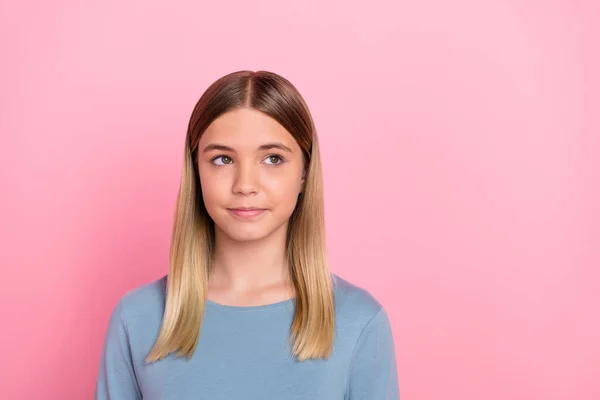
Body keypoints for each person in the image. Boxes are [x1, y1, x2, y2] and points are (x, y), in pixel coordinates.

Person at [95, 70, 399, 399]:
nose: (245, 185)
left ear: (304, 174)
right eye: (223, 159)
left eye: (273, 159)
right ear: (196, 171)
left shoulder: (360, 321)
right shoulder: (137, 319)